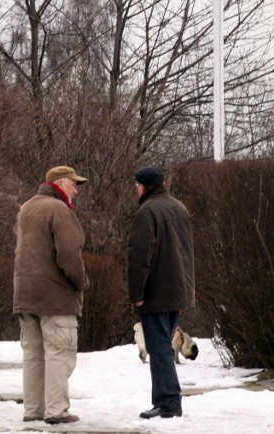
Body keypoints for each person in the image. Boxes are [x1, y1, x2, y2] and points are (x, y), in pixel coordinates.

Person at [13, 165, 90, 425]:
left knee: (33, 355)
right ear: (59, 183)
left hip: (25, 294)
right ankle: (57, 411)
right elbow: (69, 255)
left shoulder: (26, 208)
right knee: (59, 352)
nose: (76, 191)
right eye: (73, 184)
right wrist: (80, 282)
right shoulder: (59, 210)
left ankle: (33, 410)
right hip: (55, 297)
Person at [127, 167, 195, 419]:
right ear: (163, 183)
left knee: (159, 349)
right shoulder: (180, 208)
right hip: (177, 293)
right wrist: (186, 295)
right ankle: (167, 402)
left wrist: (136, 293)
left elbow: (139, 256)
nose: (136, 190)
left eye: (137, 186)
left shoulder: (146, 212)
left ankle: (168, 404)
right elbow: (187, 255)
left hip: (156, 293)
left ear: (143, 187)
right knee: (163, 347)